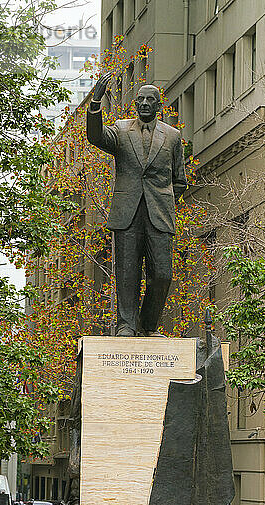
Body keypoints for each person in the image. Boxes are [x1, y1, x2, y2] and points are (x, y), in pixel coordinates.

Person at [86, 73, 187, 337]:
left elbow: (180, 180)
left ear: (158, 105)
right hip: (127, 212)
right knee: (127, 272)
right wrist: (96, 102)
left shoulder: (173, 136)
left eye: (149, 100)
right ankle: (126, 325)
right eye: (139, 99)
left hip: (159, 213)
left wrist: (162, 201)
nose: (143, 103)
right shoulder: (120, 130)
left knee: (162, 273)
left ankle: (148, 325)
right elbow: (95, 136)